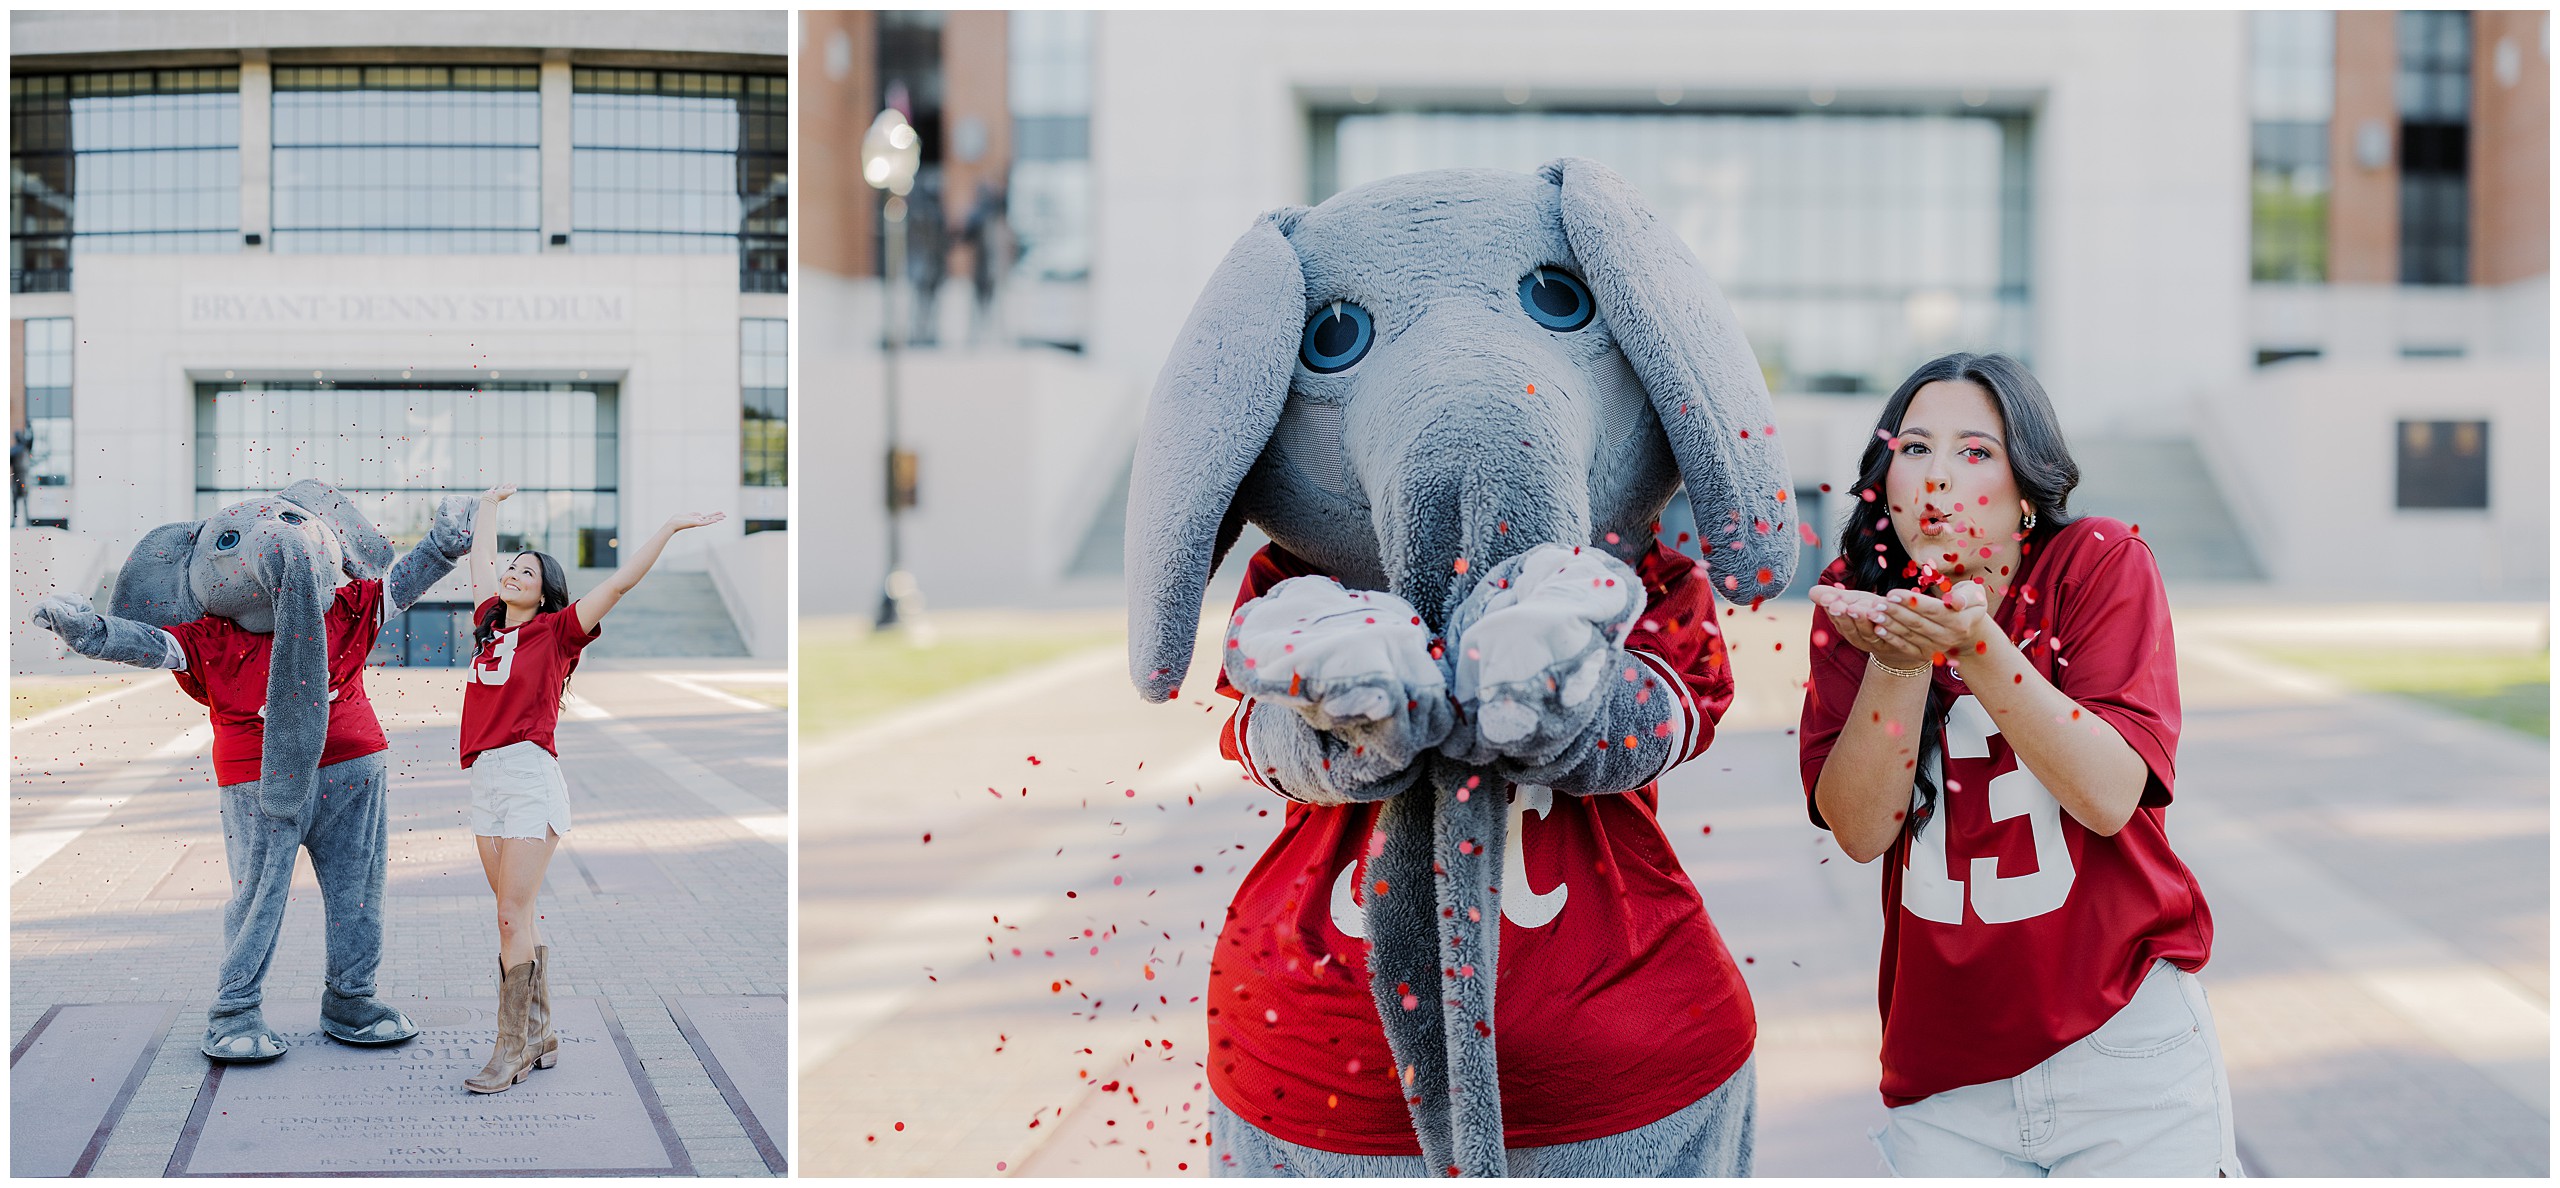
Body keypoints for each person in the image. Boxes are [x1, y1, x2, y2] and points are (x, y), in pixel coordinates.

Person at [1797, 352, 2239, 1176]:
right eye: (1915, 448)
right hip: (1945, 1079)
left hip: (2124, 1051)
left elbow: (2110, 797)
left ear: (2026, 492)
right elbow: (1860, 831)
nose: (1938, 476)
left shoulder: (2098, 563)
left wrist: (1974, 641)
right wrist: (1901, 656)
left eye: (1975, 451)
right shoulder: (1856, 601)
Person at [459, 485, 725, 1092]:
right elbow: (480, 563)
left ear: (546, 590)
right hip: (486, 781)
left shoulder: (557, 632)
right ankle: (542, 1029)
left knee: (507, 914)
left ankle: (512, 1048)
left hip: (529, 777)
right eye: (512, 567)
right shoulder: (488, 626)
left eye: (528, 571)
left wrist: (669, 527)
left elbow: (620, 585)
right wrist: (489, 508)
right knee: (515, 914)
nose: (513, 573)